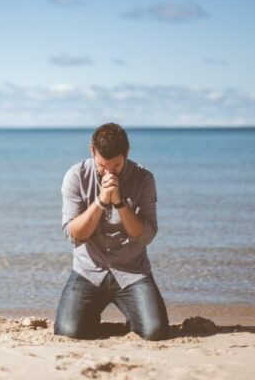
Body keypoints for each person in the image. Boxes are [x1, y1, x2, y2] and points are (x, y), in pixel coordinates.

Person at [53, 122, 169, 340]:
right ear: (92, 151)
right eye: (101, 165)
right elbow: (74, 234)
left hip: (132, 272)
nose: (108, 172)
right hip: (88, 271)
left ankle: (133, 318)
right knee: (67, 332)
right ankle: (89, 318)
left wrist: (119, 203)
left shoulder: (144, 178)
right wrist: (100, 201)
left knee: (155, 332)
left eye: (115, 165)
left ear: (126, 153)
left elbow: (145, 236)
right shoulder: (76, 176)